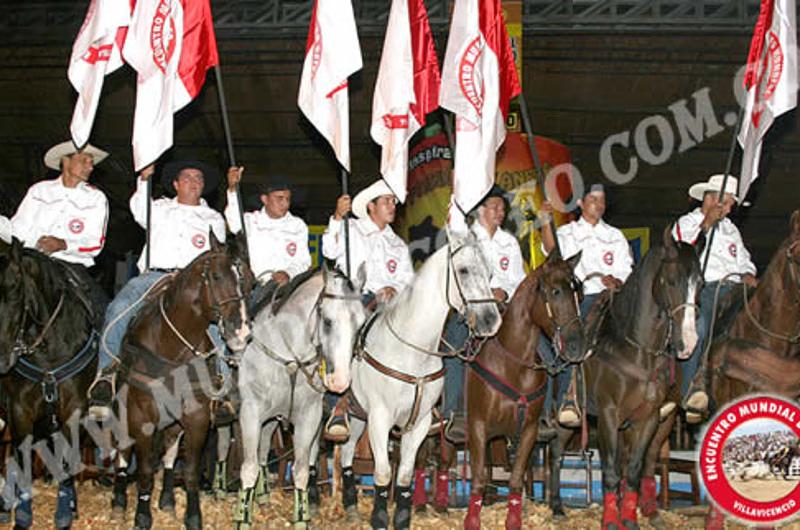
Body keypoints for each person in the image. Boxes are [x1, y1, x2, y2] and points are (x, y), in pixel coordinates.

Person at [87, 160, 225, 420]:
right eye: (187, 177)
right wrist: (144, 179)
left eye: (199, 178)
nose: (194, 182)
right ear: (175, 184)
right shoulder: (158, 208)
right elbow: (139, 210)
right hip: (155, 276)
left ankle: (222, 383)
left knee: (222, 323)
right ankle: (105, 375)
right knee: (117, 309)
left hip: (194, 285)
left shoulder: (213, 218)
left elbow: (215, 255)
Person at [321, 178, 414, 440]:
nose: (392, 206)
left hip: (391, 306)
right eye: (386, 201)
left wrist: (394, 290)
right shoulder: (352, 229)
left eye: (393, 201)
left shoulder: (397, 243)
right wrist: (338, 217)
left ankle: (416, 400)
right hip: (355, 299)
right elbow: (329, 249)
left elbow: (407, 279)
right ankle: (337, 405)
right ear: (370, 207)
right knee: (345, 335)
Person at [540, 182, 633, 427]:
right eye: (593, 200)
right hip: (583, 298)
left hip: (616, 298)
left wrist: (618, 280)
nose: (599, 205)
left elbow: (626, 268)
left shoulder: (615, 236)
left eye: (602, 201)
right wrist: (545, 221)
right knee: (576, 334)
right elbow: (552, 251)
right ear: (580, 203)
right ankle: (567, 398)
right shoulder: (567, 233)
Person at [443, 185, 526, 443]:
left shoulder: (509, 242)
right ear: (481, 210)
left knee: (539, 347)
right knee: (455, 349)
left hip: (504, 309)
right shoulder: (466, 238)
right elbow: (457, 275)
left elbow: (518, 280)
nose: (500, 212)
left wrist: (505, 291)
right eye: (494, 207)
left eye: (502, 208)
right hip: (471, 308)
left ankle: (543, 413)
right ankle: (453, 413)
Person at [675, 174, 757, 423]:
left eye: (732, 203)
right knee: (700, 326)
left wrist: (748, 273)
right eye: (728, 202)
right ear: (711, 199)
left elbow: (745, 260)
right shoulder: (687, 221)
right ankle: (690, 388)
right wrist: (706, 225)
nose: (731, 208)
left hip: (736, 288)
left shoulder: (731, 229)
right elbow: (682, 251)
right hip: (705, 288)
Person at [3, 141, 111, 328]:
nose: (90, 166)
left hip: (69, 266)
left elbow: (95, 243)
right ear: (65, 161)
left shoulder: (95, 198)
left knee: (103, 310)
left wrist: (63, 244)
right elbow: (17, 229)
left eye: (91, 162)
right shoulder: (39, 191)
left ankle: (106, 351)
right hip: (30, 262)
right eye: (84, 160)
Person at [224, 167, 311, 309]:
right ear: (265, 199)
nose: (285, 204)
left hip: (288, 290)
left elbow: (303, 261)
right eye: (279, 198)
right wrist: (233, 190)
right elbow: (233, 221)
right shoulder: (250, 221)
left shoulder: (298, 226)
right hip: (256, 289)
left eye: (288, 199)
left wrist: (288, 273)